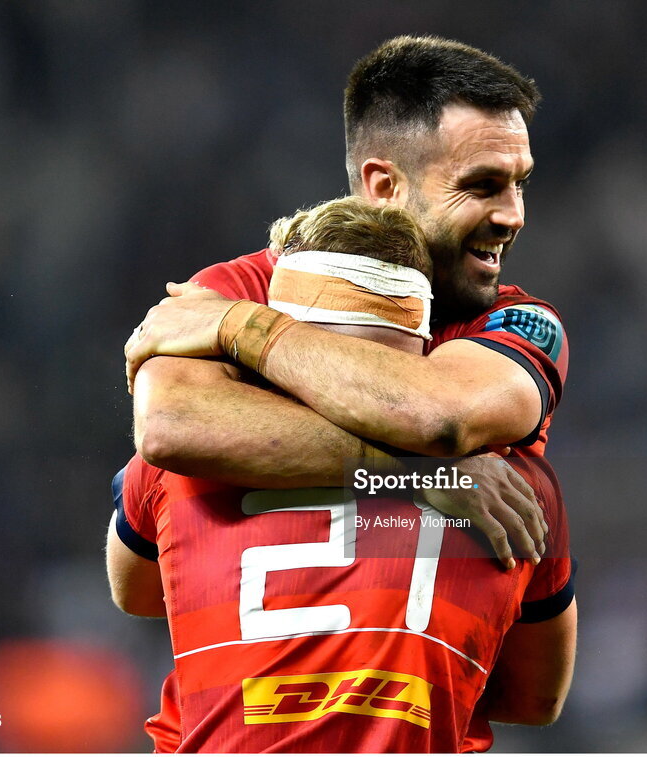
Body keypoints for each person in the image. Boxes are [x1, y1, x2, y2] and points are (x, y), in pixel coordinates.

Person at [107, 196, 575, 752]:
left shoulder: (177, 470)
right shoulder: (516, 489)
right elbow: (536, 699)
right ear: (424, 348)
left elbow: (134, 592)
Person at [125, 35, 566, 570]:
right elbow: (171, 426)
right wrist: (423, 477)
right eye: (483, 185)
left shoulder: (518, 324)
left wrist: (242, 330)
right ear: (383, 185)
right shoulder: (241, 286)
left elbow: (439, 419)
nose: (513, 215)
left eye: (520, 183)